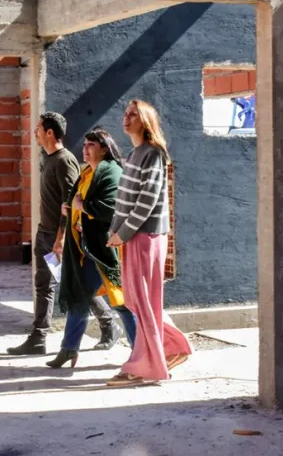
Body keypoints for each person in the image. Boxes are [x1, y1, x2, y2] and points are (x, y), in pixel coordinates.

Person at [8, 112, 123, 356]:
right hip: (45, 233)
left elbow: (71, 203)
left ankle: (109, 324)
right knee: (44, 286)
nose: (35, 132)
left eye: (38, 128)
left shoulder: (64, 161)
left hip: (61, 238)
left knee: (78, 286)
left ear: (50, 132)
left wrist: (61, 240)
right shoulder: (48, 159)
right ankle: (39, 337)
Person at [105, 100, 192, 387]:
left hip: (147, 235)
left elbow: (147, 200)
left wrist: (124, 233)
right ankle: (173, 346)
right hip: (133, 236)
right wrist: (114, 233)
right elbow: (124, 201)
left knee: (142, 301)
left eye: (133, 115)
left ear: (145, 121)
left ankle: (144, 365)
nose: (126, 119)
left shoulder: (153, 154)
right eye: (125, 114)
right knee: (135, 299)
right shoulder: (134, 154)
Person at [47, 128, 137, 369]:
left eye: (91, 145)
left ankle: (140, 351)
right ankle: (69, 349)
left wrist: (82, 206)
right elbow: (76, 200)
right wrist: (71, 209)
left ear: (105, 148)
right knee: (79, 296)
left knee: (120, 301)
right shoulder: (87, 172)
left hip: (104, 248)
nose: (85, 149)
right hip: (84, 247)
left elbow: (112, 209)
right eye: (84, 144)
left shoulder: (112, 172)